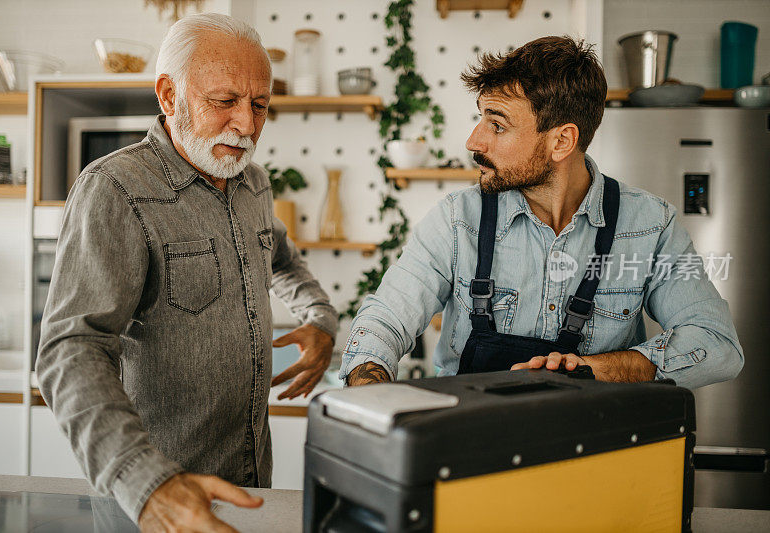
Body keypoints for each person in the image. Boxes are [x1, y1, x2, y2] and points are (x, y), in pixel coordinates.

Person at [37, 13, 338, 531]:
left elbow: (283, 260)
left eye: (260, 105)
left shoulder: (254, 182)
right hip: (154, 505)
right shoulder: (115, 189)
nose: (246, 124)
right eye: (224, 102)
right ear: (169, 96)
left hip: (249, 489)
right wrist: (147, 485)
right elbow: (70, 351)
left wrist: (321, 318)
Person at [340, 36, 743, 389]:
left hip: (596, 461)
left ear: (562, 141)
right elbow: (386, 320)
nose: (473, 140)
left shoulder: (651, 227)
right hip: (471, 457)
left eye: (497, 126)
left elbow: (716, 343)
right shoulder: (456, 220)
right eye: (480, 117)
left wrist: (593, 369)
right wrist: (367, 382)